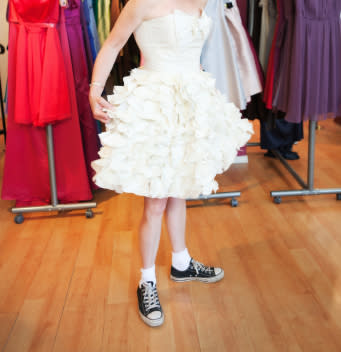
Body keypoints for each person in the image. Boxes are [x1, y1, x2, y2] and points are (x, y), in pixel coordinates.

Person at [89, 0, 253, 327]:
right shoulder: (141, 3)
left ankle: (181, 261)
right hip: (156, 103)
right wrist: (94, 91)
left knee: (181, 186)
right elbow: (113, 44)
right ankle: (146, 280)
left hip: (190, 98)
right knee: (157, 199)